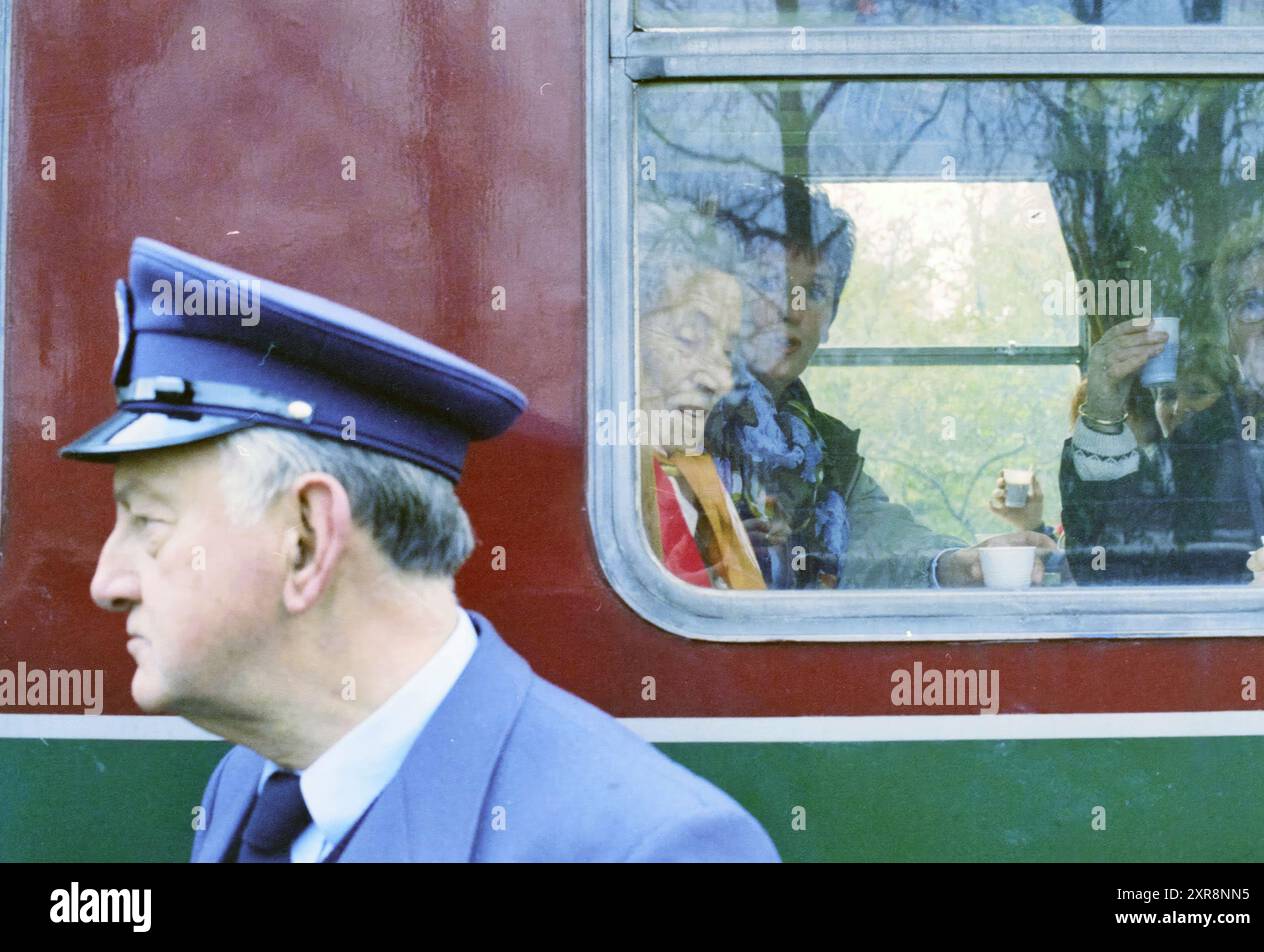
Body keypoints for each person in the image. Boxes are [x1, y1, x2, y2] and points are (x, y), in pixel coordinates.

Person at [63, 237, 779, 862]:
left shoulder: (653, 851)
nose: (108, 581)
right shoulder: (250, 787)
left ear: (309, 540)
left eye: (148, 523)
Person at [705, 177, 1055, 589]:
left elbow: (884, 541)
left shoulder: (825, 449)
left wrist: (961, 565)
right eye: (768, 283)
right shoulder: (687, 417)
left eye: (815, 291)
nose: (791, 309)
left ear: (831, 320)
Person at [1059, 209, 1264, 585]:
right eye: (1252, 304)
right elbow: (1110, 571)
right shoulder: (1194, 446)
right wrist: (1103, 412)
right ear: (1229, 329)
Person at [636, 197, 764, 589]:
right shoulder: (598, 488)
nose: (722, 381)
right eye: (690, 337)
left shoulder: (696, 479)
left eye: (727, 351)